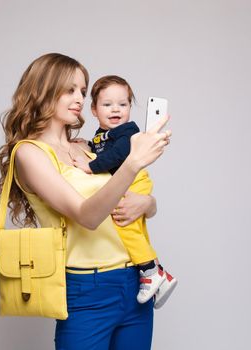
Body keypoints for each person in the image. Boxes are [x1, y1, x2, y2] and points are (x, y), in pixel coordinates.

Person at [0, 53, 171, 350]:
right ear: (43, 90)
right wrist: (133, 162)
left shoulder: (88, 148)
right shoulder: (30, 154)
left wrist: (148, 203)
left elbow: (134, 204)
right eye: (69, 90)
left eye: (82, 90)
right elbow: (86, 216)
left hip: (134, 283)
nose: (79, 98)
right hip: (86, 289)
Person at [73, 75, 177, 308]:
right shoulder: (102, 135)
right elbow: (103, 150)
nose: (115, 110)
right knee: (135, 227)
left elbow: (117, 154)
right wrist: (87, 146)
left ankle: (150, 271)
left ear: (130, 107)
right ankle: (160, 275)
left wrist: (90, 166)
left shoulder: (128, 131)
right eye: (107, 104)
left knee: (125, 225)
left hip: (135, 179)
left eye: (123, 104)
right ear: (93, 110)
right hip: (127, 180)